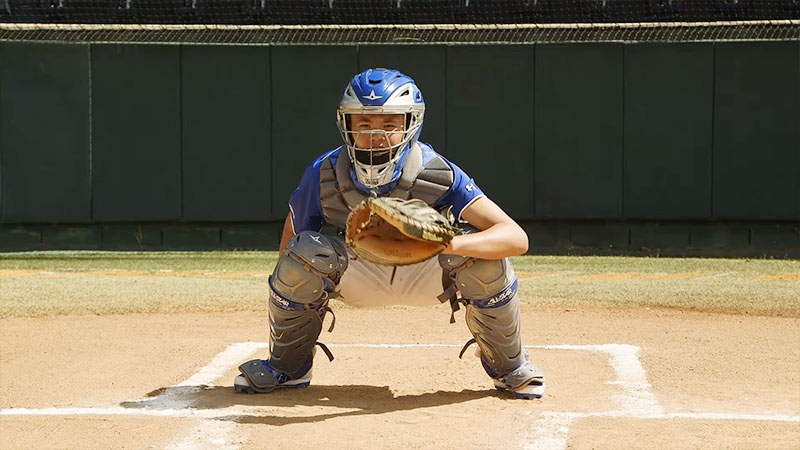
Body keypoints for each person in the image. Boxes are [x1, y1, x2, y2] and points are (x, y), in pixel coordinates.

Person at [234, 68, 545, 399]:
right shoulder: (324, 172)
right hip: (357, 272)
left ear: (411, 124)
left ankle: (509, 369)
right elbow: (289, 247)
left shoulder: (436, 171)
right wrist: (295, 286)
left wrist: (446, 242)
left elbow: (515, 237)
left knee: (483, 258)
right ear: (347, 125)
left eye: (389, 124)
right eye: (364, 123)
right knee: (304, 253)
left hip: (426, 274)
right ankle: (288, 367)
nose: (375, 134)